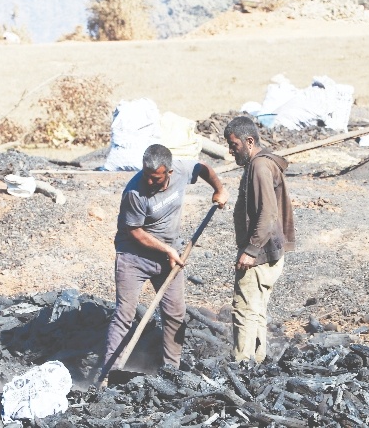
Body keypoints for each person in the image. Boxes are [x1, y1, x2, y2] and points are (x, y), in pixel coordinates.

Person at [103, 144, 228, 376]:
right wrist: (168, 250)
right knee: (125, 314)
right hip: (133, 256)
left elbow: (202, 167)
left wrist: (219, 189)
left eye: (156, 178)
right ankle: (109, 373)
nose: (149, 181)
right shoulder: (134, 192)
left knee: (175, 313)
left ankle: (171, 370)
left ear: (169, 172)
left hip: (169, 256)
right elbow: (135, 232)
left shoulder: (181, 170)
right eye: (147, 175)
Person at [223, 116, 295, 363]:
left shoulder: (260, 167)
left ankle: (241, 365)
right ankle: (257, 361)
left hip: (260, 253)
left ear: (249, 141)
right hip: (267, 250)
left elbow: (268, 212)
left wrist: (251, 250)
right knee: (256, 310)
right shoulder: (261, 164)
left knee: (244, 309)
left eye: (234, 145)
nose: (231, 151)